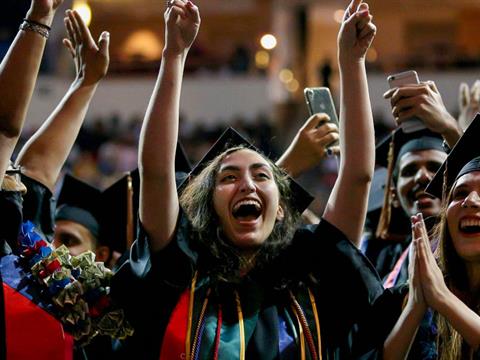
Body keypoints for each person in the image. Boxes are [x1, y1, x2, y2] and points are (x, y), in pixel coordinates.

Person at [113, 1, 402, 359]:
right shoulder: (181, 271)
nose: (246, 184)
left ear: (282, 208)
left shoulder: (309, 273)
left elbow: (357, 176)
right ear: (210, 206)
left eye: (262, 175)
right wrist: (174, 54)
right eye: (228, 177)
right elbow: (156, 172)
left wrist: (351, 63)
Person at [384, 113, 480, 360]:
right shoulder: (420, 293)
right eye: (459, 193)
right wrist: (416, 304)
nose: (470, 201)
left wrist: (442, 299)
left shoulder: (438, 294)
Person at [364, 80, 464, 284]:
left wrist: (451, 129)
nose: (422, 177)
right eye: (409, 171)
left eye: (435, 168)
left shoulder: (468, 253)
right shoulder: (379, 261)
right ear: (393, 193)